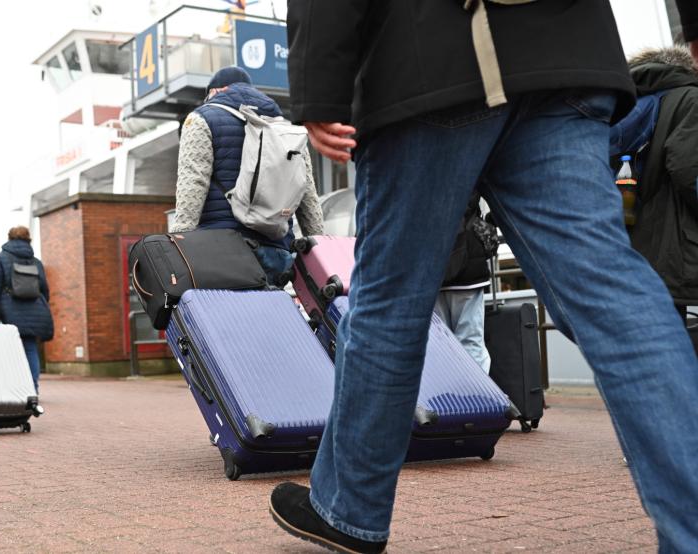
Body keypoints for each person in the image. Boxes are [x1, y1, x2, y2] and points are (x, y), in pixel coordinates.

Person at [270, 2, 698, 553]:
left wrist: (318, 89)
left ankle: (349, 511)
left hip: (426, 61)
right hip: (562, 59)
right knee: (612, 294)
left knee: (389, 305)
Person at [170, 66, 324, 285]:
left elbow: (192, 185)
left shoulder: (200, 119)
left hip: (221, 251)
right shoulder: (287, 130)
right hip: (277, 254)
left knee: (226, 318)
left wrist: (178, 245)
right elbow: (308, 196)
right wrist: (318, 249)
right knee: (268, 317)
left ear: (218, 91)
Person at [611, 46, 698, 321]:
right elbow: (690, 170)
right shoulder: (691, 98)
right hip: (679, 248)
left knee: (659, 331)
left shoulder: (627, 105)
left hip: (637, 244)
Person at [0, 226, 54, 391]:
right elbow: (44, 289)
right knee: (30, 348)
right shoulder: (36, 261)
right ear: (28, 239)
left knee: (8, 350)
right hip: (35, 308)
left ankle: (12, 388)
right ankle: (32, 389)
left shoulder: (0, 258)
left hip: (9, 310)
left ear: (9, 238)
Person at [434, 194, 493, 372]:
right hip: (468, 263)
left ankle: (447, 396)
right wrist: (491, 221)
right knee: (470, 342)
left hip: (433, 269)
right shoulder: (467, 169)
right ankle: (476, 396)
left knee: (441, 344)